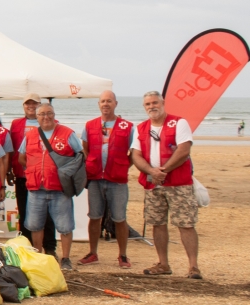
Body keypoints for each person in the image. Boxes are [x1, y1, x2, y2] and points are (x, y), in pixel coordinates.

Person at [131, 91, 200, 279]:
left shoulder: (179, 123)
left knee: (185, 223)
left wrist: (164, 170)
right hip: (153, 185)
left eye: (155, 102)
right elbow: (136, 155)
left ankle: (193, 266)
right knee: (157, 223)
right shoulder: (141, 128)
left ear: (163, 103)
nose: (151, 106)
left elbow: (184, 150)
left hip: (179, 184)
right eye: (147, 104)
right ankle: (163, 264)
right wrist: (152, 172)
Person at [17, 103, 82, 269]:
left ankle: (65, 259)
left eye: (49, 113)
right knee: (35, 225)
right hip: (36, 189)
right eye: (42, 114)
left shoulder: (67, 133)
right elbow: (22, 158)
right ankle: (39, 256)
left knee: (65, 226)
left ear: (54, 114)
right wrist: (34, 170)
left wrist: (66, 173)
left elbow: (80, 156)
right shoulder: (30, 135)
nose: (46, 117)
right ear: (36, 117)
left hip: (60, 190)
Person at [82, 90, 134, 268]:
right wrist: (91, 164)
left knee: (120, 218)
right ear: (98, 104)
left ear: (115, 104)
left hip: (117, 180)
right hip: (96, 179)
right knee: (94, 216)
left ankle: (123, 255)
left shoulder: (128, 127)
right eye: (103, 101)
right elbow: (85, 148)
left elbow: (135, 153)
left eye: (109, 101)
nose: (106, 104)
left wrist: (124, 166)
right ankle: (93, 252)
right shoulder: (89, 125)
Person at [7, 94, 42, 237]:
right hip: (21, 175)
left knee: (43, 212)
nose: (31, 106)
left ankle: (49, 246)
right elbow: (11, 148)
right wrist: (9, 170)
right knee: (23, 210)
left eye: (35, 103)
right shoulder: (16, 123)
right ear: (23, 106)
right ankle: (26, 243)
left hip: (42, 176)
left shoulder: (49, 121)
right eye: (28, 103)